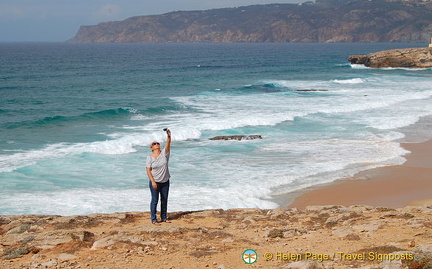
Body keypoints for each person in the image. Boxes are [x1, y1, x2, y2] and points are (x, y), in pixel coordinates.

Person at [146, 129, 172, 225]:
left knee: (164, 200)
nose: (156, 144)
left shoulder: (164, 154)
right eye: (154, 144)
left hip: (165, 181)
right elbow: (148, 170)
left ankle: (164, 217)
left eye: (157, 143)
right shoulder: (149, 157)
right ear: (151, 148)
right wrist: (153, 181)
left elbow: (168, 144)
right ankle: (153, 219)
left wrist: (169, 136)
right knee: (154, 200)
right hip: (155, 181)